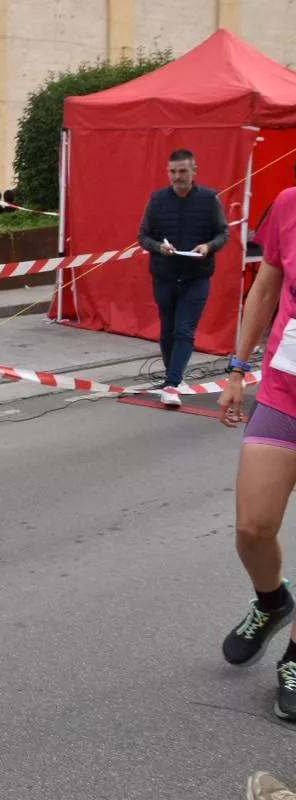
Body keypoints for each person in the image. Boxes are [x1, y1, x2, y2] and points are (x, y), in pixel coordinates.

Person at [217, 185, 296, 723]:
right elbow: (266, 289)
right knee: (253, 527)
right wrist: (236, 368)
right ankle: (272, 602)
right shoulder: (290, 204)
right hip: (285, 391)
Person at [138, 149, 229, 409]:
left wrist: (208, 247)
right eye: (173, 172)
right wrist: (158, 247)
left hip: (196, 276)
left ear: (194, 171)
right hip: (164, 275)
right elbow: (143, 236)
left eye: (183, 171)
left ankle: (173, 383)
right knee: (167, 330)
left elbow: (223, 234)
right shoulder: (156, 200)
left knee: (184, 330)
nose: (177, 177)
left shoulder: (210, 199)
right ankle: (173, 378)